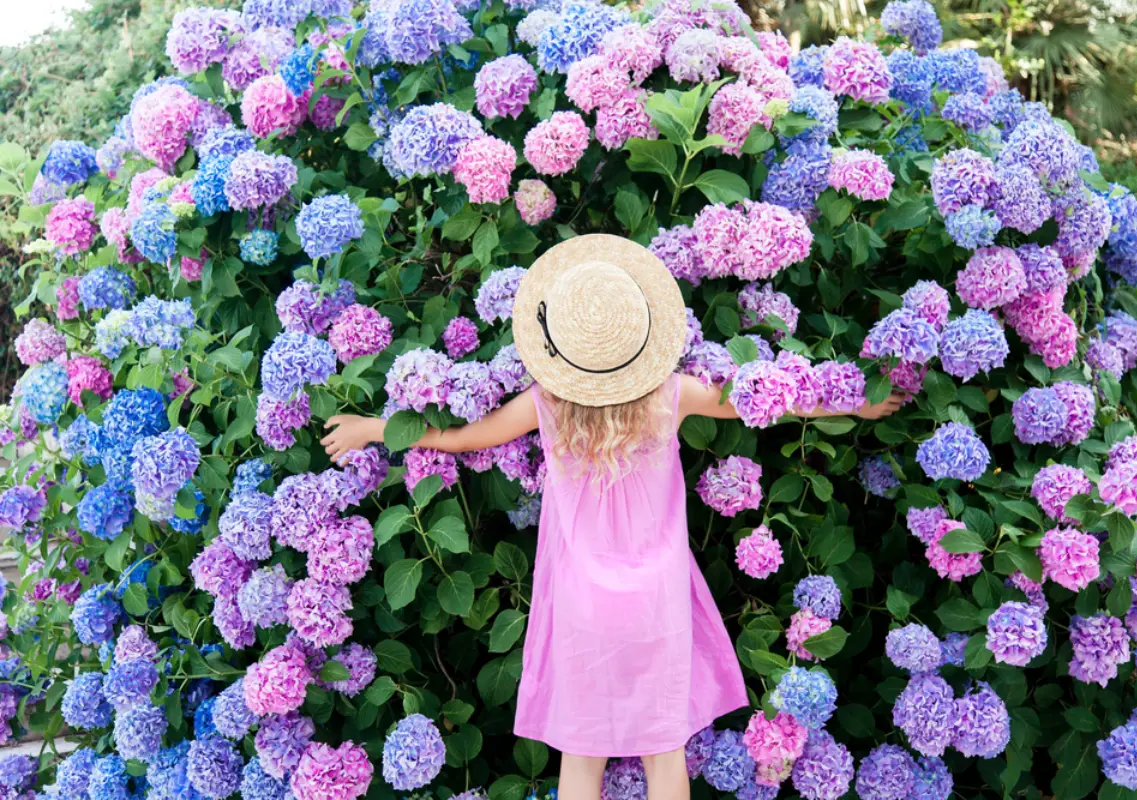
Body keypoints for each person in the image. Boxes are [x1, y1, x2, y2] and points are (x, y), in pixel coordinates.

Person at [321, 234, 903, 800]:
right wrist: (858, 400)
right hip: (658, 595)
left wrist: (372, 427)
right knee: (664, 750)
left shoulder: (546, 405)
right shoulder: (671, 396)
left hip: (581, 598)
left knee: (582, 752)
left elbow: (464, 437)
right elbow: (765, 401)